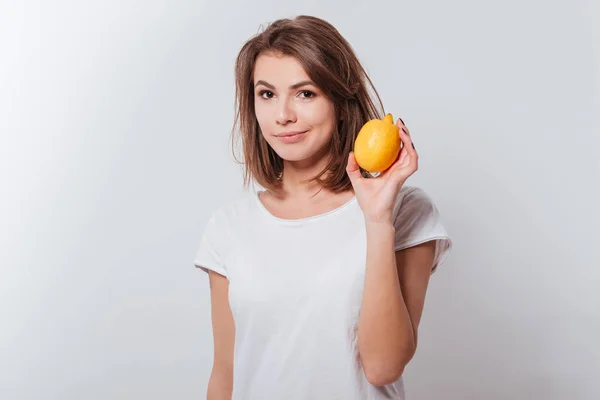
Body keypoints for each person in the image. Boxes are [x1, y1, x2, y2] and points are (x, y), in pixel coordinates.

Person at [193, 15, 452, 400]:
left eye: (305, 93)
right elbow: (226, 373)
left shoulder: (406, 211)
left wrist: (378, 220)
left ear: (341, 101)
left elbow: (383, 366)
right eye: (266, 94)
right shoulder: (229, 226)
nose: (283, 115)